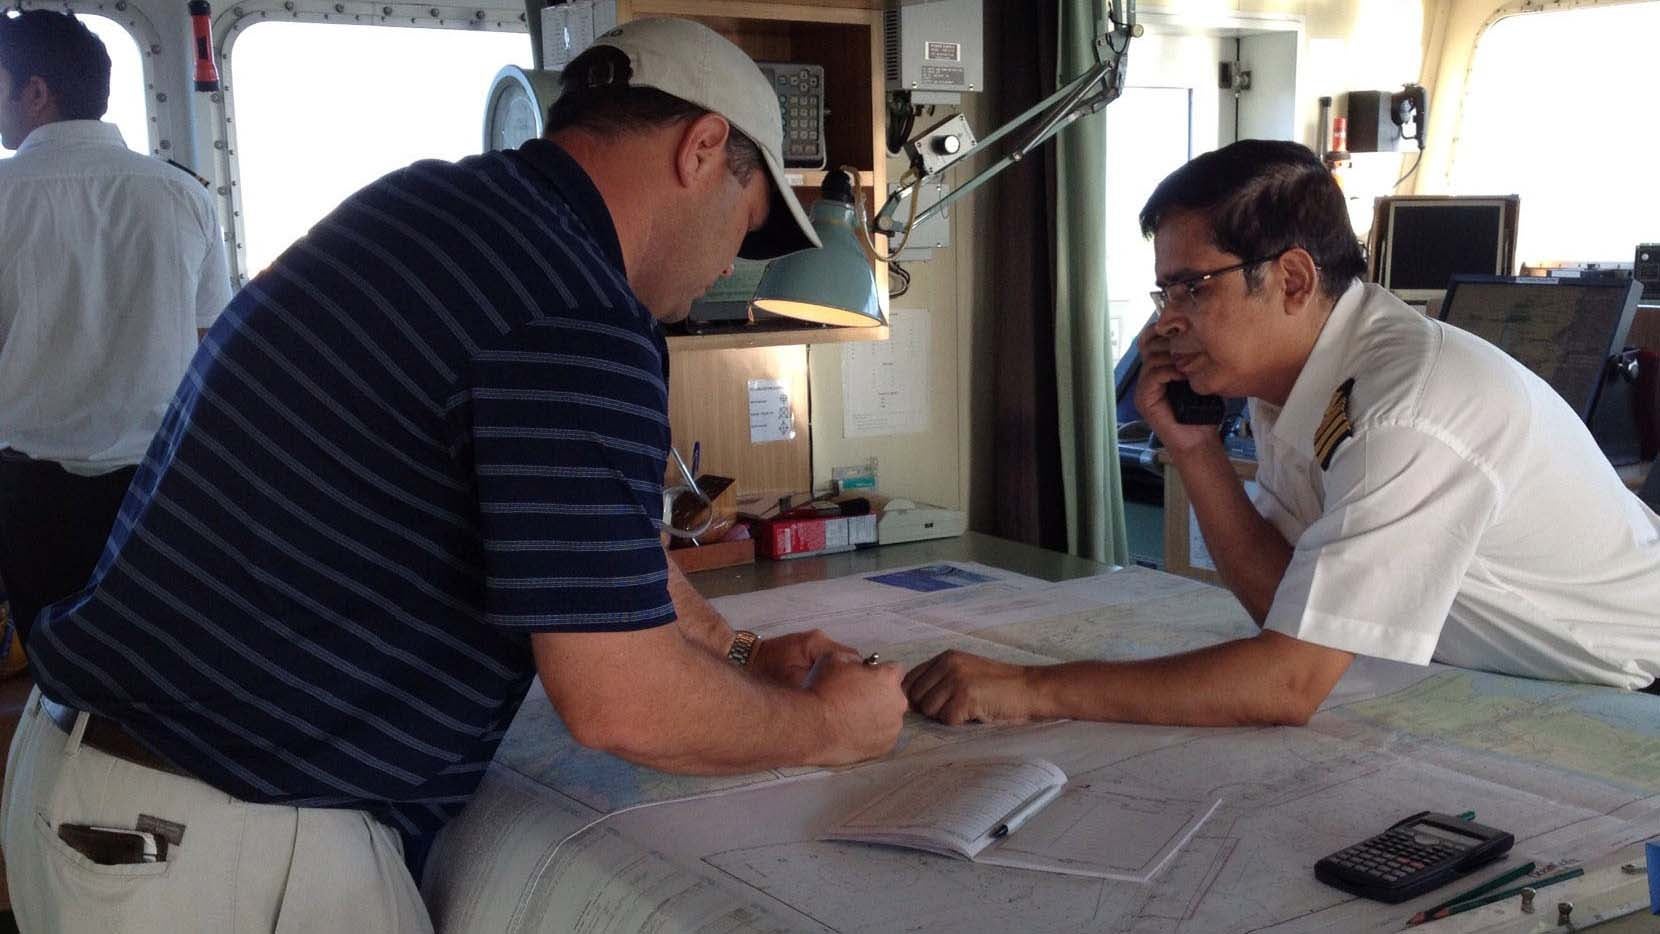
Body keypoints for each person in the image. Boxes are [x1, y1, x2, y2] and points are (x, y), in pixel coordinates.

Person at [3, 17, 907, 932]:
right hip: (219, 837)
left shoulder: (433, 210)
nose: (727, 266)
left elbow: (596, 549)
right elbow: (619, 701)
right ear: (702, 148)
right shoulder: (577, 310)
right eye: (745, 226)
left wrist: (737, 655)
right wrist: (832, 729)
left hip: (101, 788)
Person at [903, 139, 1660, 728]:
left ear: (1293, 280)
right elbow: (1284, 606)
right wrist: (1195, 449)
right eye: (1165, 292)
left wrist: (1029, 689)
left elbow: (1288, 683)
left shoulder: (1403, 410)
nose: (1168, 322)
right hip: (1515, 684)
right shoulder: (1295, 384)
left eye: (1193, 288)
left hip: (1632, 690)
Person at [0, 10, 230, 643]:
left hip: (29, 495)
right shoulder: (184, 196)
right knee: (156, 650)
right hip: (159, 485)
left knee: (57, 660)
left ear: (36, 93)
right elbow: (210, 346)